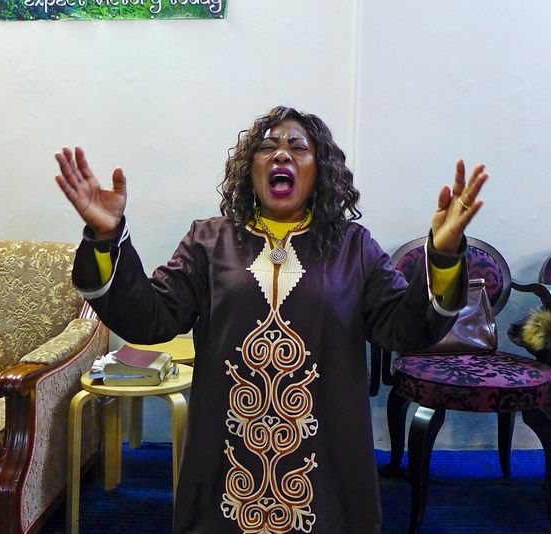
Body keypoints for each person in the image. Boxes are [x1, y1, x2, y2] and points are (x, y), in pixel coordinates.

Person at [54, 106, 487, 534]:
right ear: (250, 169)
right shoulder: (209, 241)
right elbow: (152, 318)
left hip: (326, 460)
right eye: (267, 147)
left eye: (298, 147)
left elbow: (404, 327)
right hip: (228, 456)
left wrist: (444, 255)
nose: (282, 155)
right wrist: (106, 238)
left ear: (321, 170)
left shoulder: (354, 248)